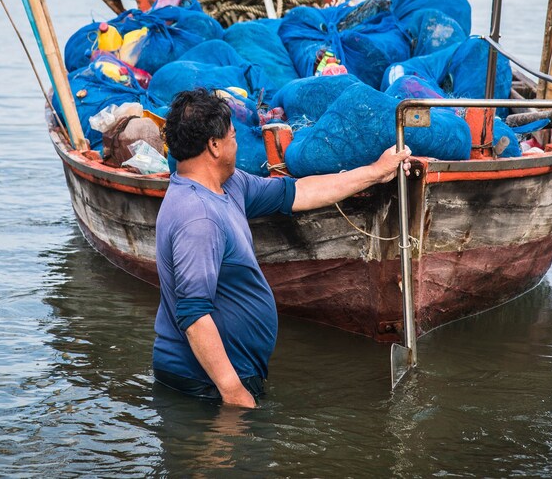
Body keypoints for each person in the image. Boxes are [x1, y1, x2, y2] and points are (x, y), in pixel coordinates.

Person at [152, 89, 411, 408]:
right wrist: (234, 394)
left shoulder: (228, 186)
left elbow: (298, 191)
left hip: (223, 379)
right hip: (205, 386)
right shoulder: (199, 216)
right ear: (214, 145)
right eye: (234, 135)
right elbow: (194, 316)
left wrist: (375, 172)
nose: (237, 142)